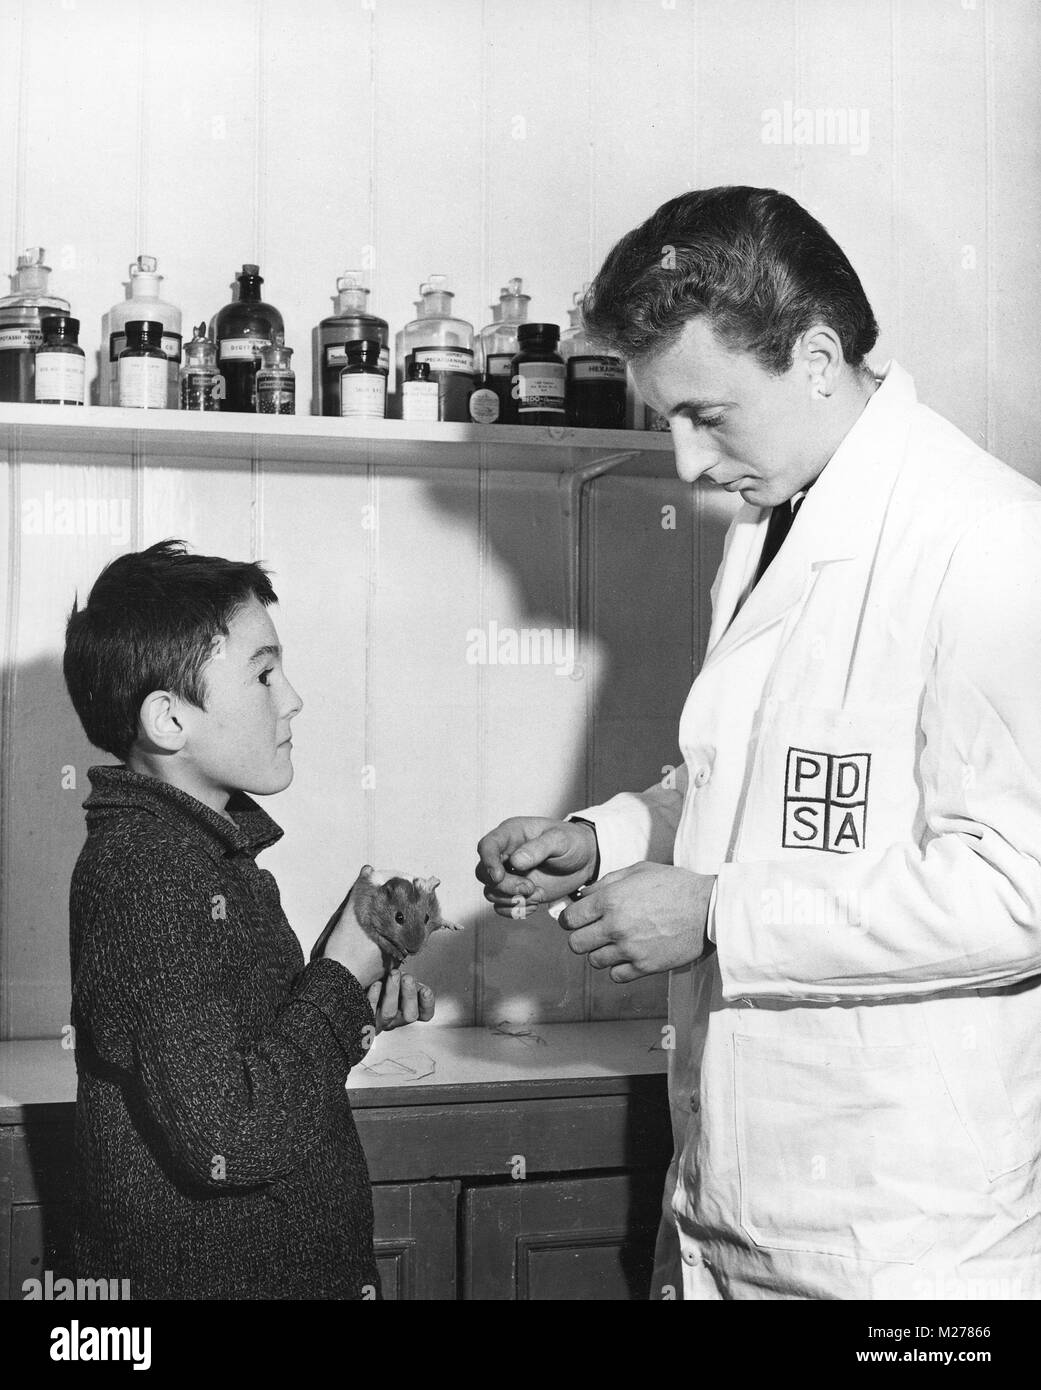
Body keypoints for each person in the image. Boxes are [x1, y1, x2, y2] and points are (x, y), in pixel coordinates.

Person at [477, 186, 1041, 1301]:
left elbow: (1017, 887)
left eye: (710, 415)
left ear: (819, 357)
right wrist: (606, 837)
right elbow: (755, 785)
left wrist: (715, 914)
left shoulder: (988, 542)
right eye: (669, 420)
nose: (685, 464)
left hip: (900, 1248)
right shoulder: (775, 522)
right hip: (728, 1207)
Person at [63, 539, 434, 1299]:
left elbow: (246, 1062)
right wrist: (340, 972)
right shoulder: (152, 874)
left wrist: (351, 1001)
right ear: (168, 720)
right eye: (263, 673)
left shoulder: (196, 854)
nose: (291, 697)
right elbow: (228, 1135)